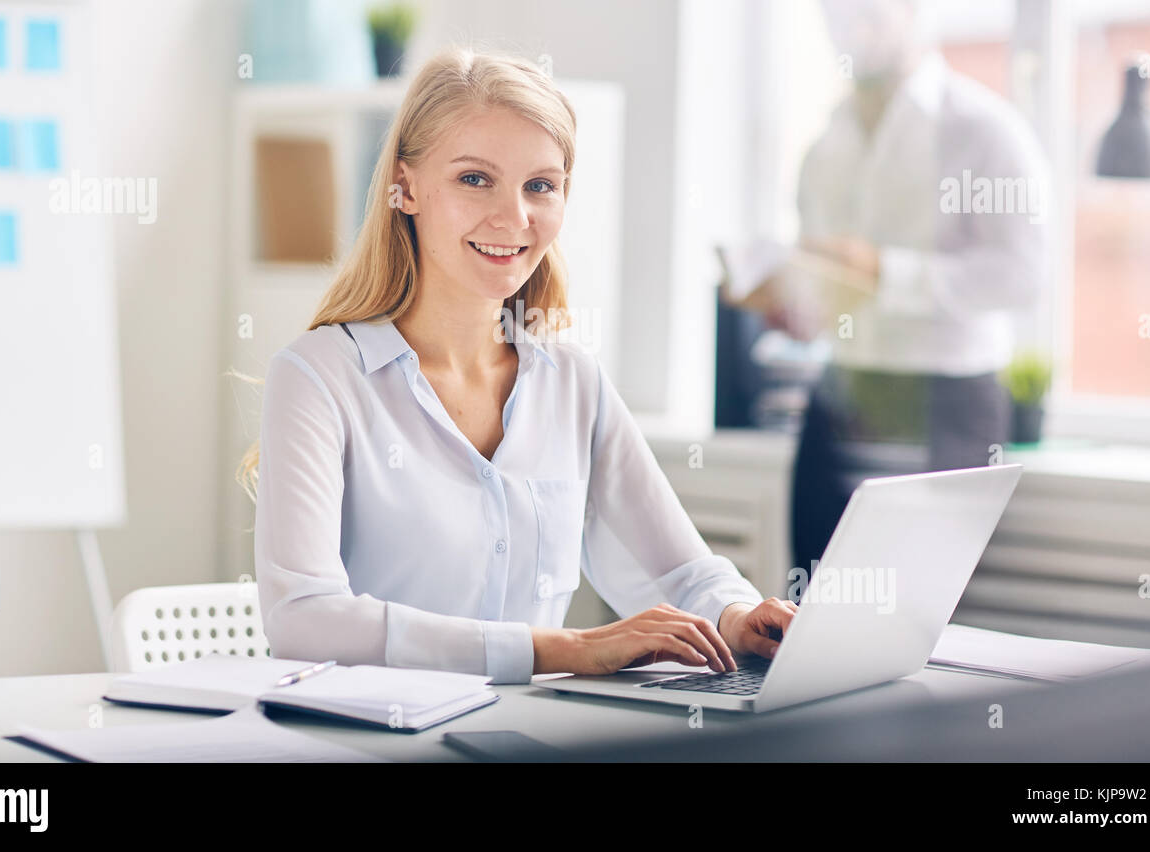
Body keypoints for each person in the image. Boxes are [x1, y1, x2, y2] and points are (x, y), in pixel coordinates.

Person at [238, 46, 797, 684]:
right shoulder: (319, 376)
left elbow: (677, 571)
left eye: (540, 186)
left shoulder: (571, 382)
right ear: (407, 187)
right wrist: (556, 650)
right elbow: (304, 620)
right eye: (475, 179)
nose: (514, 217)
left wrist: (736, 616)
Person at [782, 0, 1049, 575]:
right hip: (841, 393)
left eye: (869, 10)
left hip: (948, 399)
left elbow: (1023, 277)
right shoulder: (824, 144)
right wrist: (792, 304)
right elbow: (824, 281)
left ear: (911, 7)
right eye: (837, 14)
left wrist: (886, 271)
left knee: (926, 619)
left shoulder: (986, 129)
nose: (853, 29)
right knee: (808, 604)